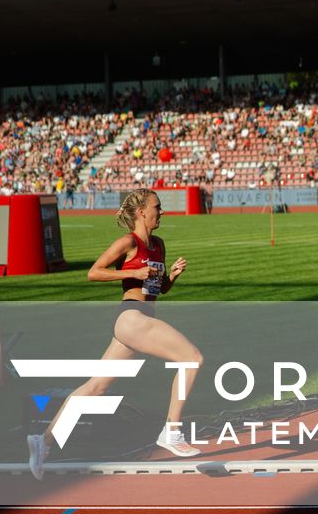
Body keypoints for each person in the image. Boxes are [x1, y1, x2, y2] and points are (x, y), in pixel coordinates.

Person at [29, 187, 200, 477]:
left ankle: (43, 442)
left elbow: (156, 290)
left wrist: (171, 277)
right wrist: (131, 273)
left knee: (95, 387)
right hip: (130, 318)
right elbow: (94, 272)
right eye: (156, 207)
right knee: (192, 359)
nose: (161, 212)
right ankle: (171, 431)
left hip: (141, 320)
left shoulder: (158, 244)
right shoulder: (127, 242)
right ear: (141, 212)